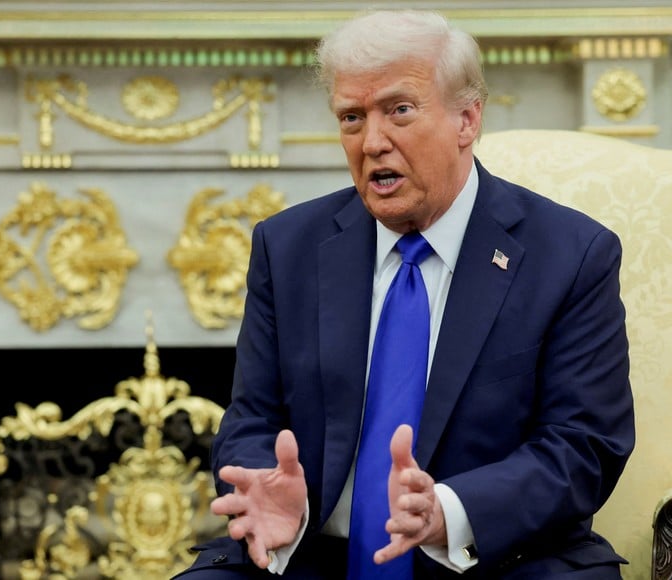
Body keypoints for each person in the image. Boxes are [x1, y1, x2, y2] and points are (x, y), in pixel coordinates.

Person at [173, 8, 635, 580]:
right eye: (350, 117)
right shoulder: (287, 246)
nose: (371, 142)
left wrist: (448, 511)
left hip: (497, 556)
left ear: (467, 119)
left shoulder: (569, 255)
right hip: (315, 554)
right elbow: (250, 418)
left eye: (399, 111)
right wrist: (272, 489)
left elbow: (583, 445)